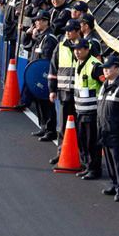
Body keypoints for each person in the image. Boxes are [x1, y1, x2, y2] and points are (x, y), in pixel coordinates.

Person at [96, 55, 119, 201]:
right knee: (109, 160)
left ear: (117, 69)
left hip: (117, 131)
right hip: (104, 128)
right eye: (104, 68)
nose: (105, 70)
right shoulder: (104, 85)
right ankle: (114, 183)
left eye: (108, 68)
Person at [48, 20, 83, 155]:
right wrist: (52, 90)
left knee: (80, 127)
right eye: (66, 30)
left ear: (78, 31)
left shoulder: (87, 46)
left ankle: (79, 155)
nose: (67, 33)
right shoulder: (61, 46)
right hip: (64, 93)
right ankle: (61, 154)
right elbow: (53, 68)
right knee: (63, 126)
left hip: (80, 95)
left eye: (70, 30)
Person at [71, 38, 103, 180]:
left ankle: (94, 169)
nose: (77, 52)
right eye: (75, 49)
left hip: (92, 111)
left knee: (92, 142)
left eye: (79, 49)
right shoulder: (78, 63)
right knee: (83, 141)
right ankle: (87, 166)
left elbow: (105, 85)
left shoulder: (95, 66)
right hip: (80, 110)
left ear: (87, 50)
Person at [26, 9, 58, 139]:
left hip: (44, 76)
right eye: (36, 20)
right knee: (39, 102)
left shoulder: (49, 39)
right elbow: (27, 45)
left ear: (46, 22)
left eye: (39, 20)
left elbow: (46, 61)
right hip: (37, 74)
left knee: (46, 104)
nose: (36, 23)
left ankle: (50, 130)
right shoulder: (41, 37)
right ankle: (43, 126)